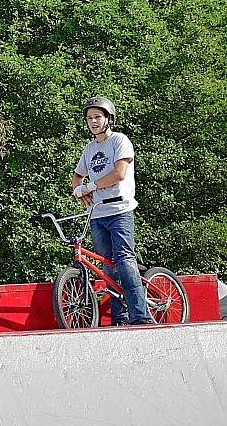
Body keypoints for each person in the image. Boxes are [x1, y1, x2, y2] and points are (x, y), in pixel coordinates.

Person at [72, 96, 154, 326]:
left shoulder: (120, 141)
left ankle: (141, 315)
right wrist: (79, 190)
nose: (93, 122)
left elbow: (119, 173)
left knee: (125, 259)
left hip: (120, 209)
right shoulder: (89, 149)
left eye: (98, 117)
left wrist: (92, 186)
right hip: (98, 213)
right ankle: (120, 316)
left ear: (108, 118)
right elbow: (77, 175)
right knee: (107, 264)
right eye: (89, 118)